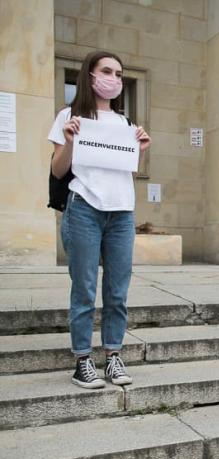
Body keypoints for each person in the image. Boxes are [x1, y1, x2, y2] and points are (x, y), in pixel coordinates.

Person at [48, 51, 151, 390]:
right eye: (107, 71)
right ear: (90, 75)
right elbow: (58, 169)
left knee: (117, 290)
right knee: (85, 288)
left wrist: (141, 150)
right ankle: (82, 360)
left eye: (120, 74)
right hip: (84, 209)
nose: (115, 79)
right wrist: (69, 139)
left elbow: (124, 168)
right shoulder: (70, 114)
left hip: (121, 212)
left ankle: (113, 356)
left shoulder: (124, 124)